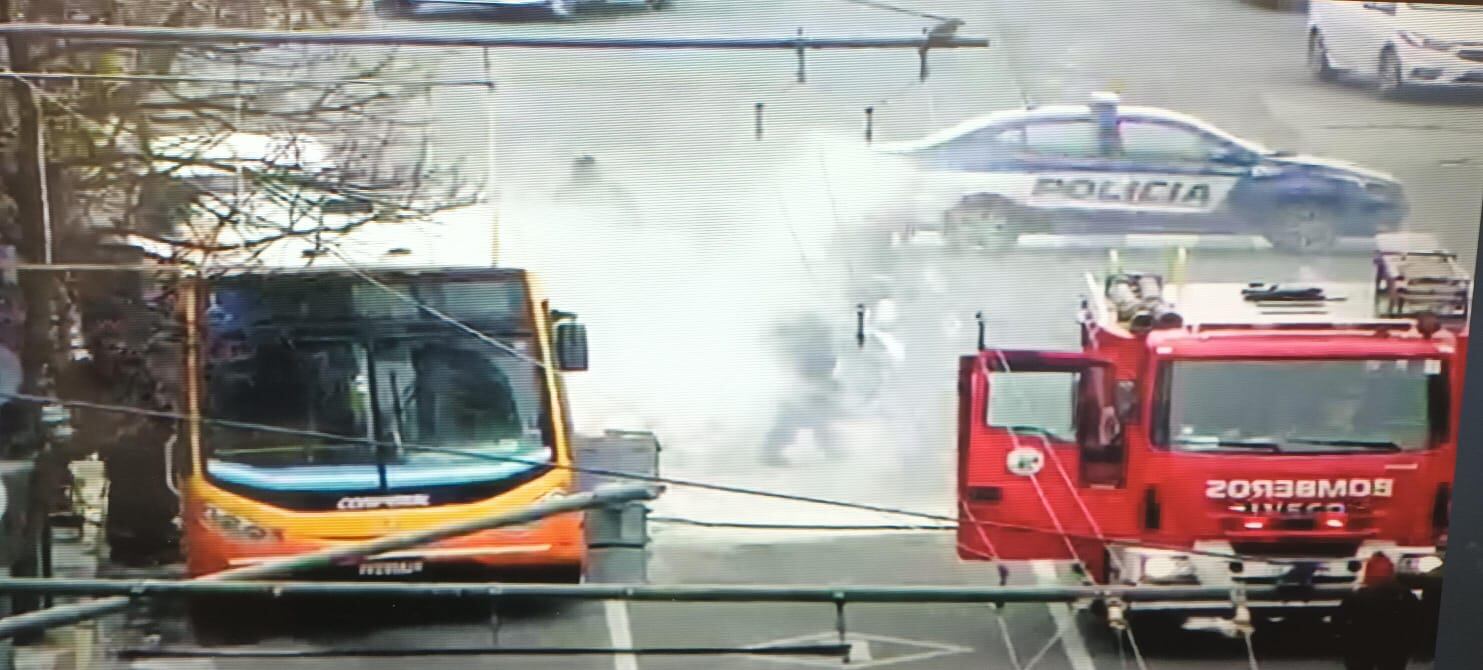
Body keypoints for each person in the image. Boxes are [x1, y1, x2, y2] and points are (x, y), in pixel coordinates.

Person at [1336, 552, 1421, 670]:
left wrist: (1343, 641)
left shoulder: (1357, 596)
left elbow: (1340, 621)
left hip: (1362, 645)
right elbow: (1416, 620)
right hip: (1394, 644)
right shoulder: (1404, 595)